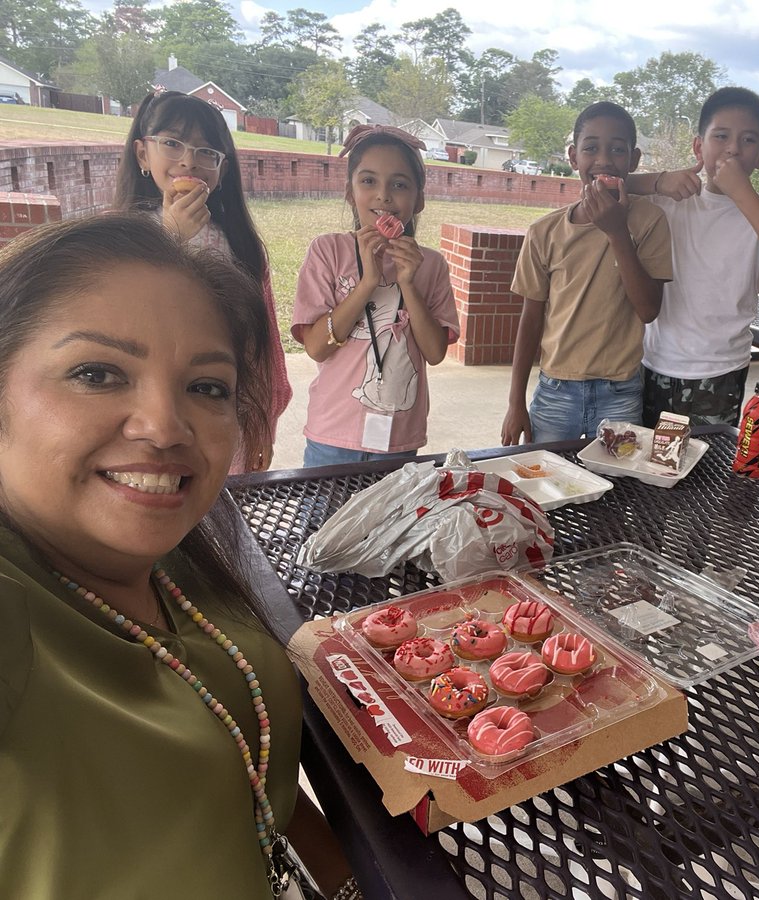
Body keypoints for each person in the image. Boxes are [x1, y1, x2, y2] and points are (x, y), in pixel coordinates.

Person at [0, 214, 359, 899]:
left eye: (207, 387)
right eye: (98, 373)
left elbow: (255, 788)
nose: (165, 428)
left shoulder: (178, 554)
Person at [114, 89, 292, 473]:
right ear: (143, 154)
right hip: (144, 410)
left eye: (206, 151)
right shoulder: (119, 237)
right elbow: (118, 323)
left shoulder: (239, 243)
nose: (189, 161)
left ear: (223, 170)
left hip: (220, 403)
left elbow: (259, 341)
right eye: (172, 144)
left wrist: (262, 420)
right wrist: (170, 239)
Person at [630, 87, 759, 427]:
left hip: (721, 370)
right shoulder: (672, 198)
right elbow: (605, 185)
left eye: (748, 140)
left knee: (703, 471)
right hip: (652, 361)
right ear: (699, 146)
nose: (733, 149)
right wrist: (657, 180)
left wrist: (742, 191)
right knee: (642, 465)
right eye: (721, 136)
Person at [501, 101, 673, 445]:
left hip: (620, 392)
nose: (604, 159)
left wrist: (616, 232)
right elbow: (531, 318)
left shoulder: (650, 220)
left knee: (620, 492)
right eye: (591, 148)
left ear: (634, 159)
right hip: (555, 390)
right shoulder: (544, 231)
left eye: (618, 149)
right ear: (573, 156)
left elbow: (648, 310)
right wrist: (515, 402)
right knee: (546, 486)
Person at [292, 124, 459, 468]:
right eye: (368, 181)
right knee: (325, 522)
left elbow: (435, 352)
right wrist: (368, 282)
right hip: (332, 436)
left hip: (399, 438)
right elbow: (316, 347)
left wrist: (409, 284)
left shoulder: (431, 265)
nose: (384, 195)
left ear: (419, 198)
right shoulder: (328, 251)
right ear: (350, 193)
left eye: (400, 184)